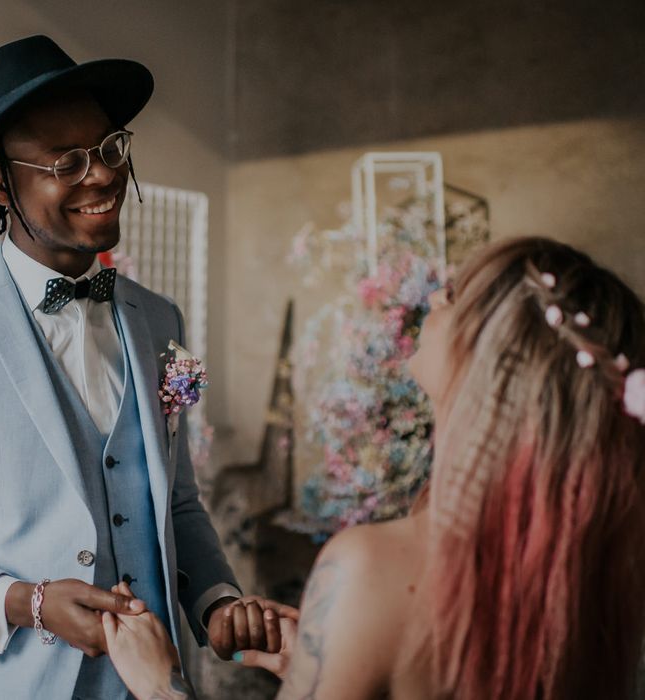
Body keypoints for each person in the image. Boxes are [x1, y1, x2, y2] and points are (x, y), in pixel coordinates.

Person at [0, 35, 290, 700]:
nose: (101, 175)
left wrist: (215, 602)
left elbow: (178, 499)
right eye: (65, 161)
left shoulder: (165, 324)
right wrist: (22, 601)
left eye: (109, 149)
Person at [101, 236, 645, 699]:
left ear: (490, 364)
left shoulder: (369, 569)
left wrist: (158, 685)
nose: (432, 295)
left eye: (452, 295)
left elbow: (180, 499)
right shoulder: (594, 580)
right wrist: (326, 664)